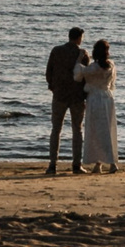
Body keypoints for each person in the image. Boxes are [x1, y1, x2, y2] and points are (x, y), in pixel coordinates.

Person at [44, 26, 90, 175]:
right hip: (77, 97)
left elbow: (48, 72)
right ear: (79, 38)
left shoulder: (56, 51)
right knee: (77, 130)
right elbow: (86, 76)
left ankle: (52, 164)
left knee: (56, 129)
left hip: (59, 95)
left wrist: (53, 87)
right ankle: (76, 165)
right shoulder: (82, 54)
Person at [75, 39, 119, 173]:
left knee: (95, 132)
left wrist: (79, 59)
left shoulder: (92, 68)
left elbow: (78, 75)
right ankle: (108, 163)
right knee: (107, 130)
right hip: (107, 98)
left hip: (94, 100)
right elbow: (112, 84)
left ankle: (101, 163)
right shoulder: (111, 65)